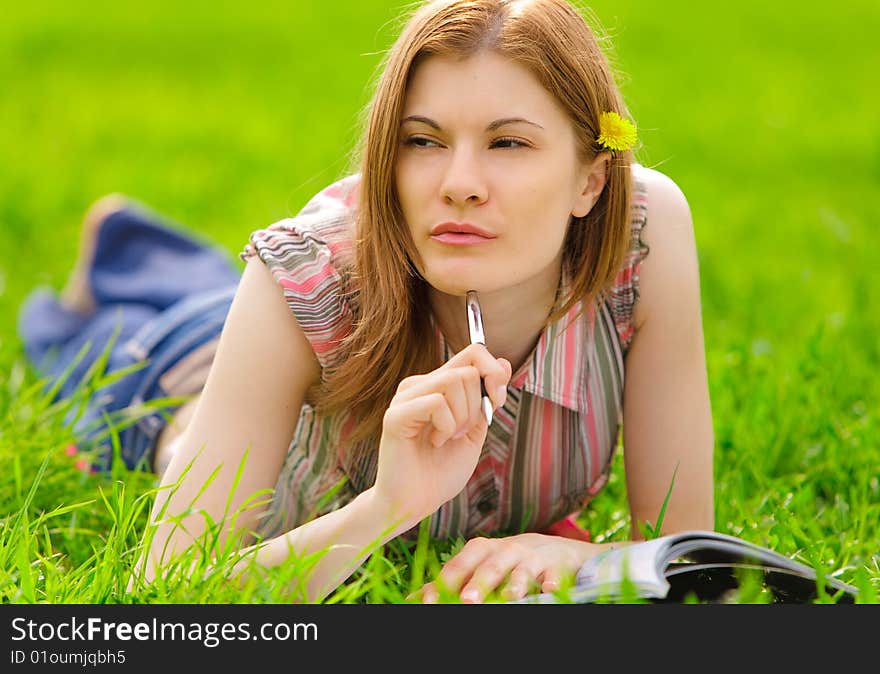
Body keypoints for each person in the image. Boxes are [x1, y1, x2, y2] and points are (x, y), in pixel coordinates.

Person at [17, 0, 714, 603]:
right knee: (83, 348)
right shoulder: (304, 273)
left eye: (508, 142)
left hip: (272, 317)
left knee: (211, 293)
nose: (460, 183)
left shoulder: (644, 236)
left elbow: (685, 549)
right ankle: (122, 246)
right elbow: (164, 597)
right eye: (423, 141)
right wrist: (387, 506)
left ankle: (143, 246)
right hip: (178, 377)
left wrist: (591, 559)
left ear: (591, 182)